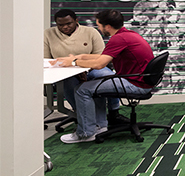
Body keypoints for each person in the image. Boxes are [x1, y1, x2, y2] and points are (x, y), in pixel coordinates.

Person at [54, 9, 155, 143]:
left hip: (135, 84)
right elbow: (104, 57)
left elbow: (100, 64)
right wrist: (81, 56)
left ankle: (86, 133)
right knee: (95, 82)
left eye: (99, 25)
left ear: (107, 26)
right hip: (141, 80)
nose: (99, 28)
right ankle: (100, 126)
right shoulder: (127, 35)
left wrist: (72, 62)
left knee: (82, 90)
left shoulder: (118, 39)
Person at [44, 9, 124, 121]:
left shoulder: (90, 32)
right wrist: (73, 70)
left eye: (68, 23)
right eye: (60, 25)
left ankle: (114, 112)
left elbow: (100, 57)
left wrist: (84, 69)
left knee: (107, 75)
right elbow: (46, 60)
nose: (65, 27)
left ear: (76, 20)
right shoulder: (47, 34)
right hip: (65, 70)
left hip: (91, 67)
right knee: (69, 80)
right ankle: (81, 113)